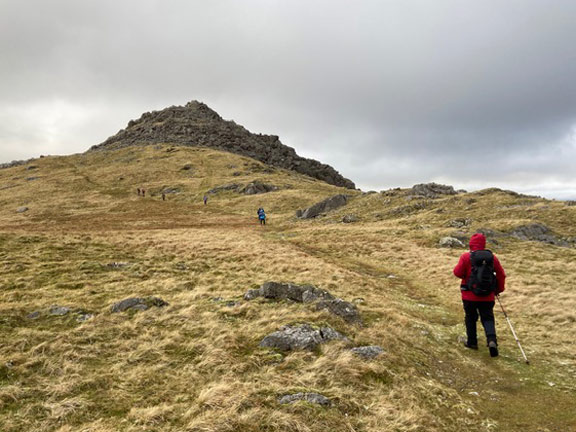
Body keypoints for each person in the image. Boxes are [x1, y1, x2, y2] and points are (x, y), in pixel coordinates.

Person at [453, 233, 506, 357]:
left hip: (469, 295)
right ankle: (492, 340)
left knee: (470, 317)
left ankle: (472, 342)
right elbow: (501, 275)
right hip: (487, 296)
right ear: (483, 244)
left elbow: (457, 272)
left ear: (471, 243)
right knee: (487, 318)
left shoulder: (466, 257)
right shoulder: (492, 258)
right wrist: (498, 289)